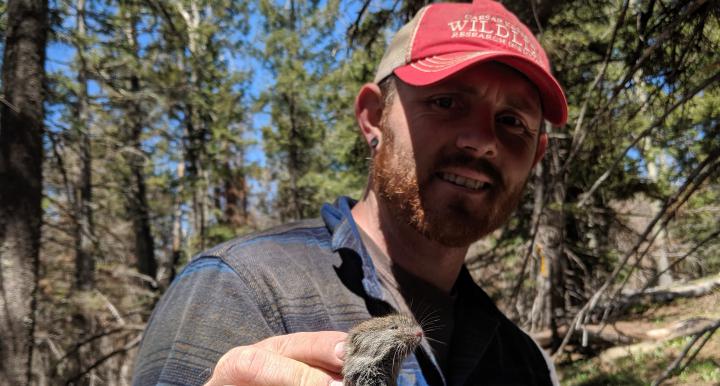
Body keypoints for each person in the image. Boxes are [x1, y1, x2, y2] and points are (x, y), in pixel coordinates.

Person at [132, 0, 568, 385]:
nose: (482, 139)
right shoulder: (237, 289)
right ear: (374, 117)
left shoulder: (525, 362)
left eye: (513, 121)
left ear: (535, 156)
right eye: (446, 102)